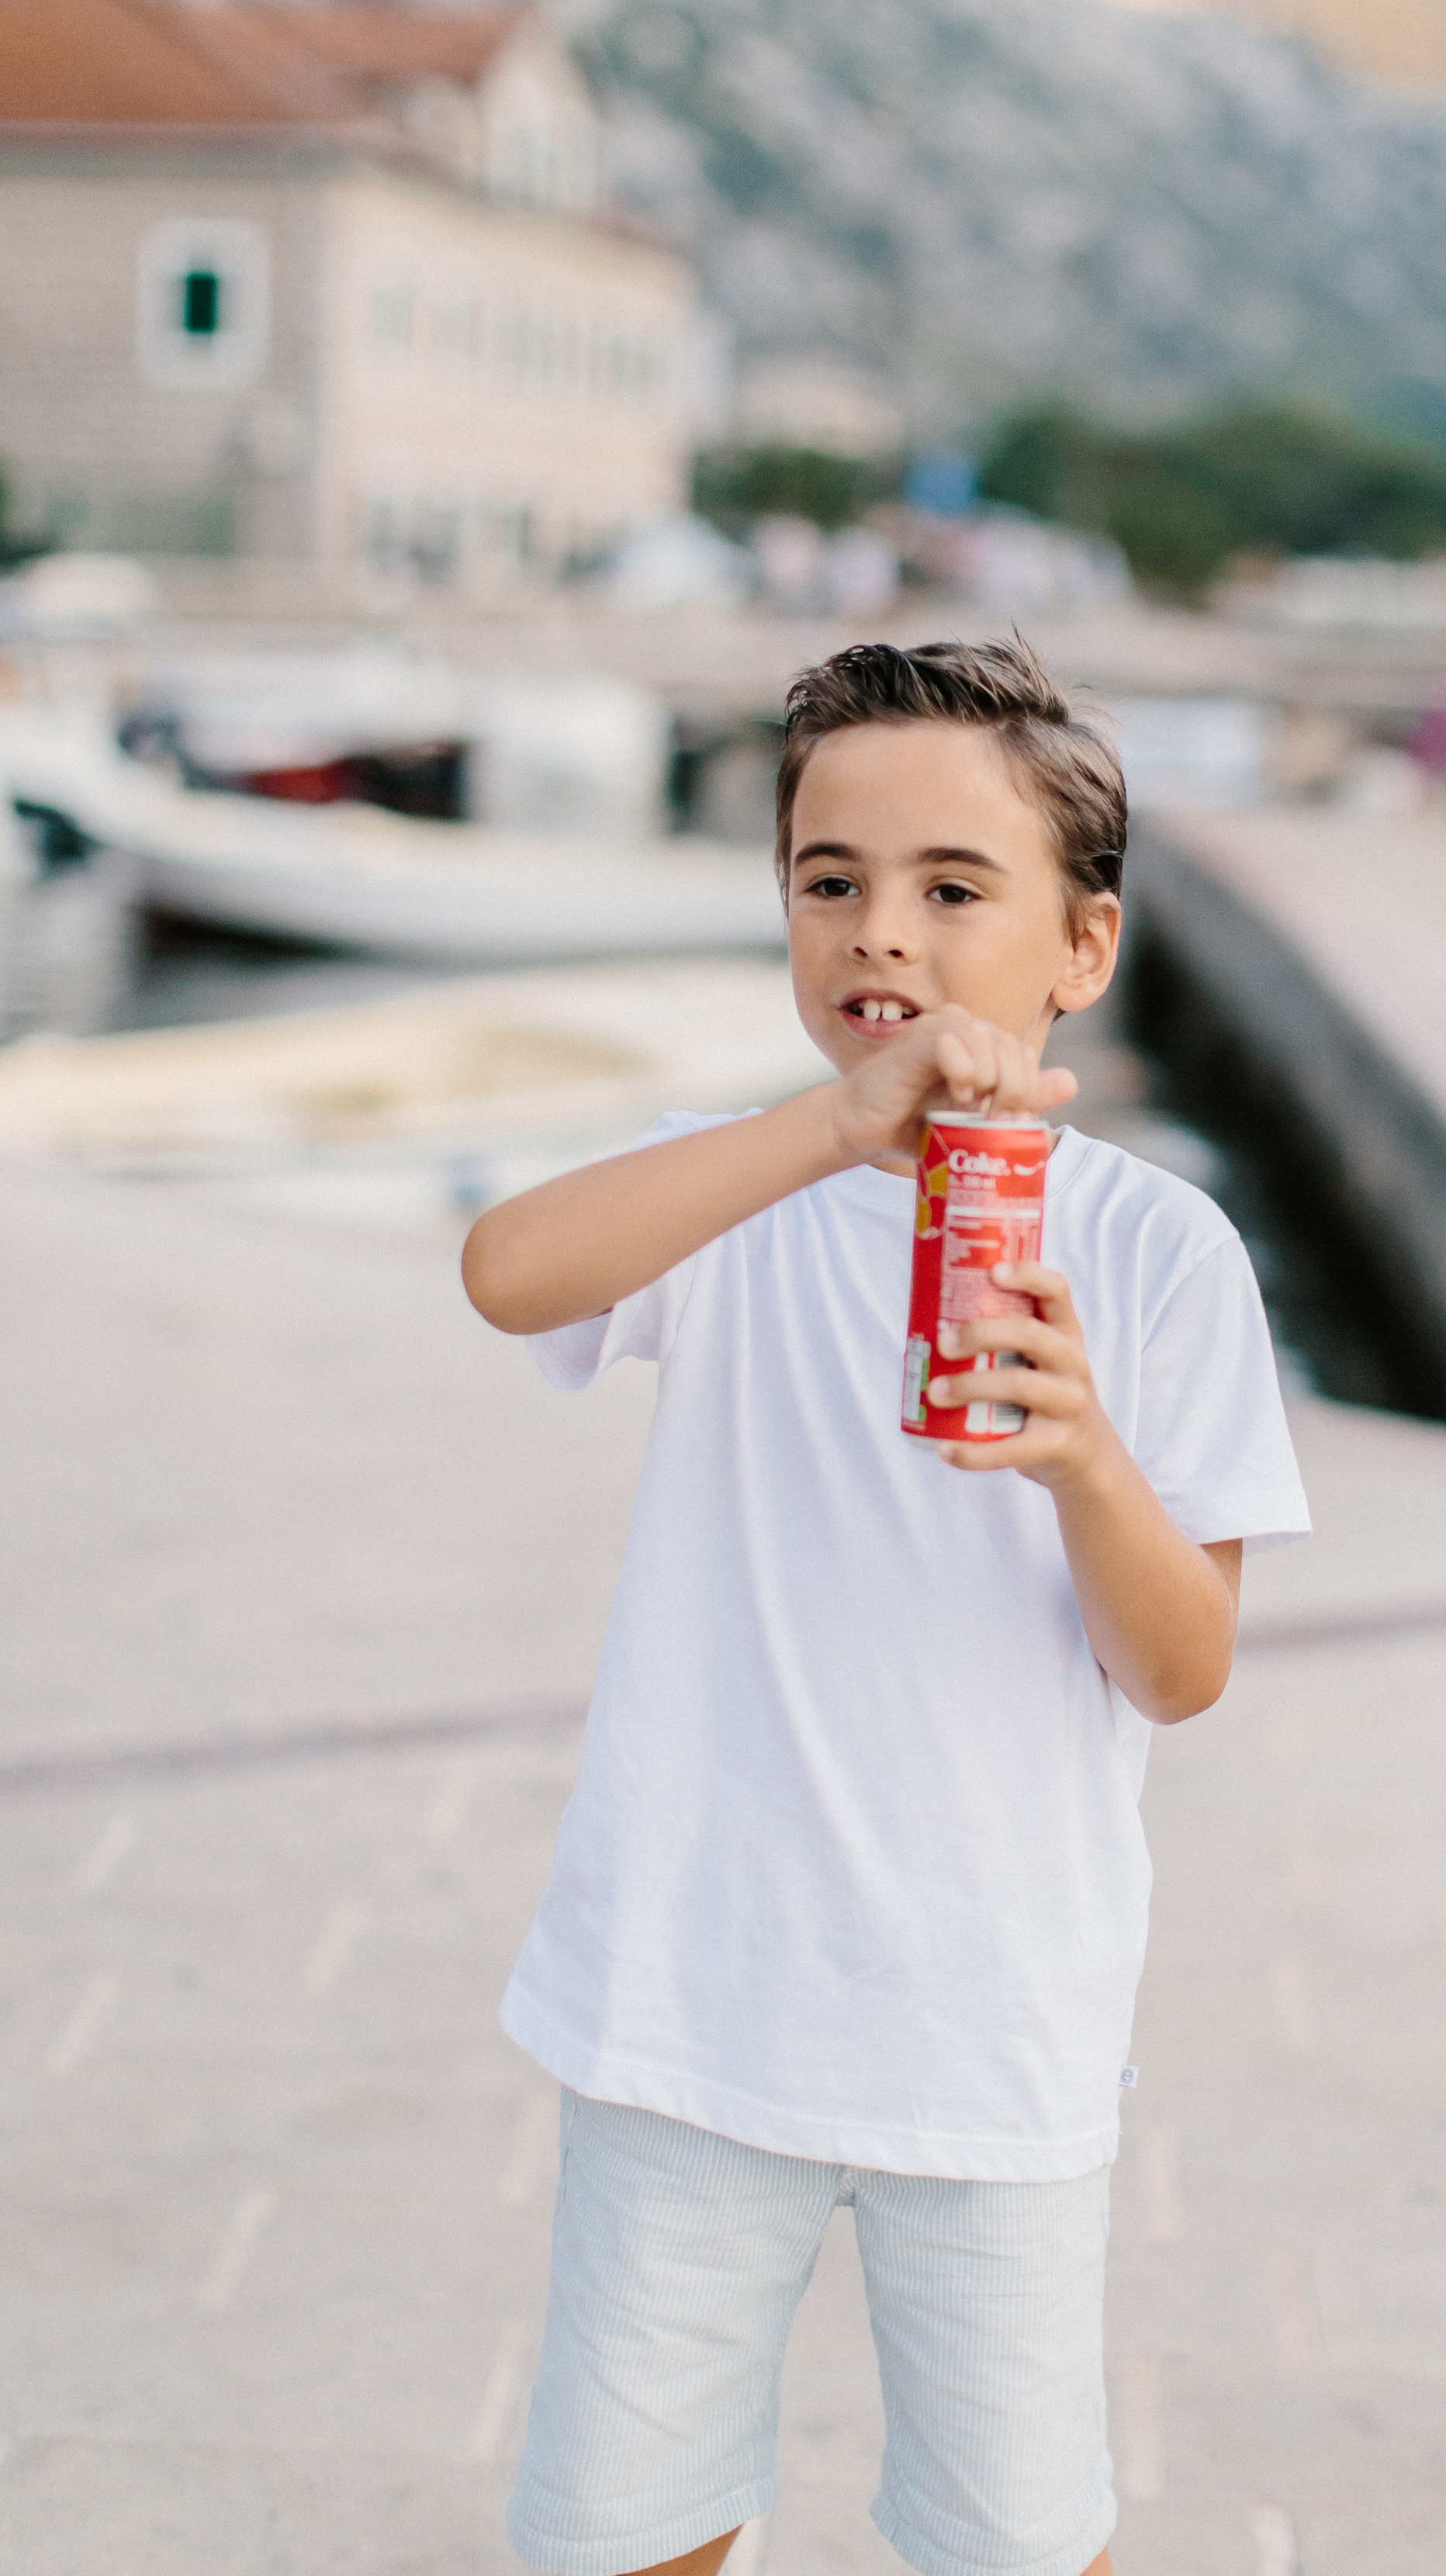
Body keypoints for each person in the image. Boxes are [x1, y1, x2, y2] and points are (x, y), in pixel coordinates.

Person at [462, 635, 1310, 2576]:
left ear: (1079, 949)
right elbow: (508, 1273)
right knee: (624, 2527)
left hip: (989, 2020)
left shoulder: (1153, 1251)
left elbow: (1178, 1671)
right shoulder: (740, 1196)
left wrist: (1088, 1454)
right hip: (687, 1997)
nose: (883, 934)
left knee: (1012, 2541)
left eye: (952, 888)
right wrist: (838, 1128)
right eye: (828, 879)